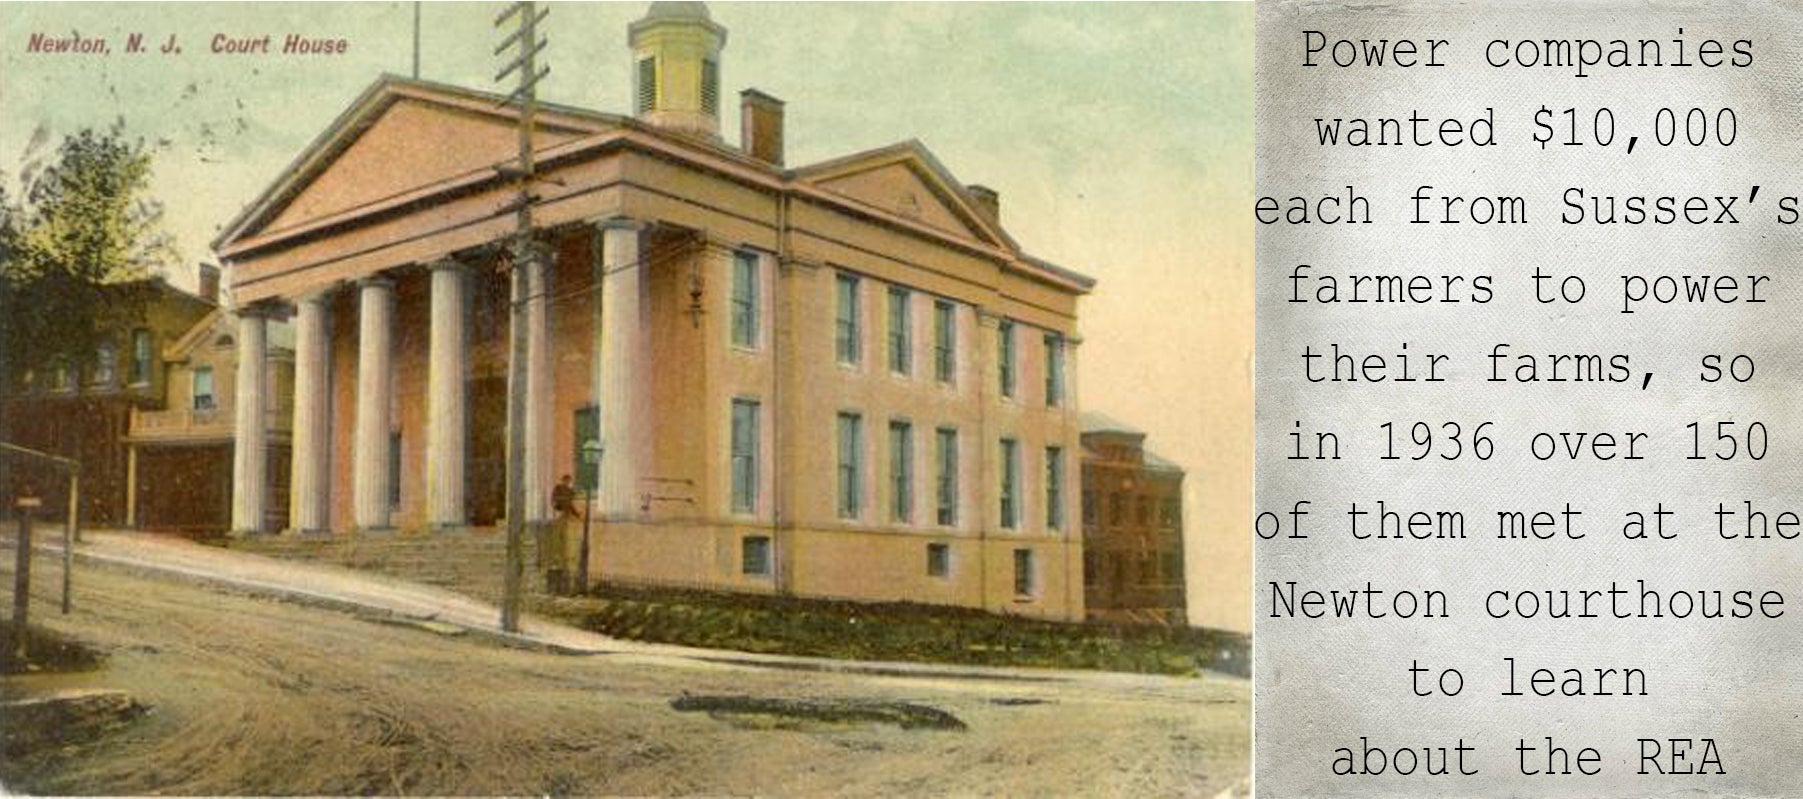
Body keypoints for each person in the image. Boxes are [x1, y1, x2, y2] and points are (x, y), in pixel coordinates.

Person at [547, 475, 579, 594]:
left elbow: (570, 504)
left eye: (568, 481)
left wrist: (575, 514)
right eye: (565, 480)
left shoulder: (571, 491)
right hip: (559, 510)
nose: (567, 482)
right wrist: (558, 503)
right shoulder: (558, 488)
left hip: (564, 512)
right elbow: (554, 500)